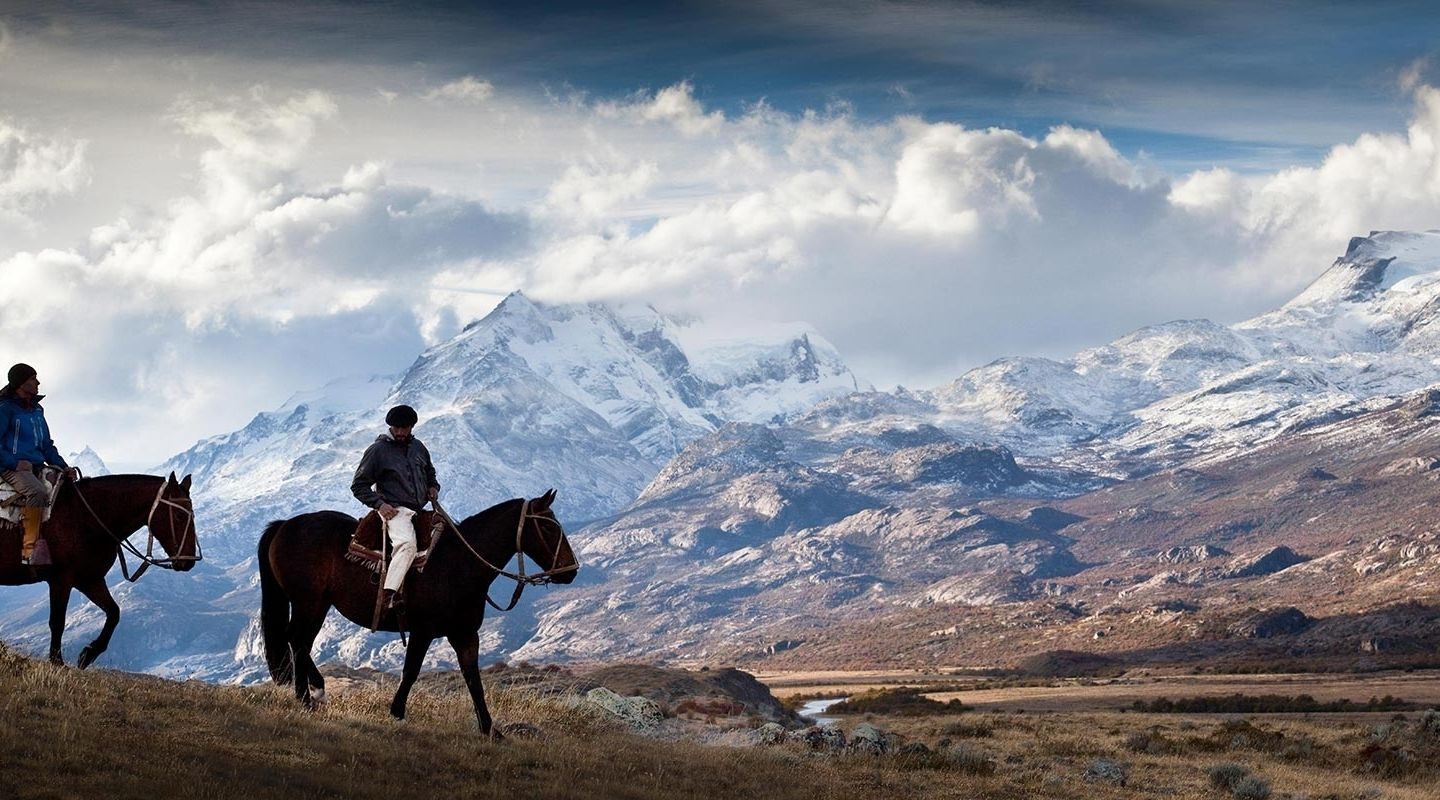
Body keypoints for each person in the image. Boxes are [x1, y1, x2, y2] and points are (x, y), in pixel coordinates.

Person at [350, 404, 440, 607]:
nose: (399, 432)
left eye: (404, 428)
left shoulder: (419, 448)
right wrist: (380, 505)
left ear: (411, 427)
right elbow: (358, 485)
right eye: (396, 428)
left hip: (419, 510)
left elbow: (430, 473)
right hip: (395, 510)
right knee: (407, 545)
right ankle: (389, 594)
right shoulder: (377, 451)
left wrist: (433, 487)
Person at [0, 363, 78, 564]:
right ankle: (30, 550)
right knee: (37, 492)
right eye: (33, 378)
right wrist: (14, 464)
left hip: (36, 465)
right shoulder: (6, 409)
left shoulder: (37, 410)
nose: (38, 382)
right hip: (10, 467)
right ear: (20, 383)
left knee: (67, 489)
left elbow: (46, 445)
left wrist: (63, 466)